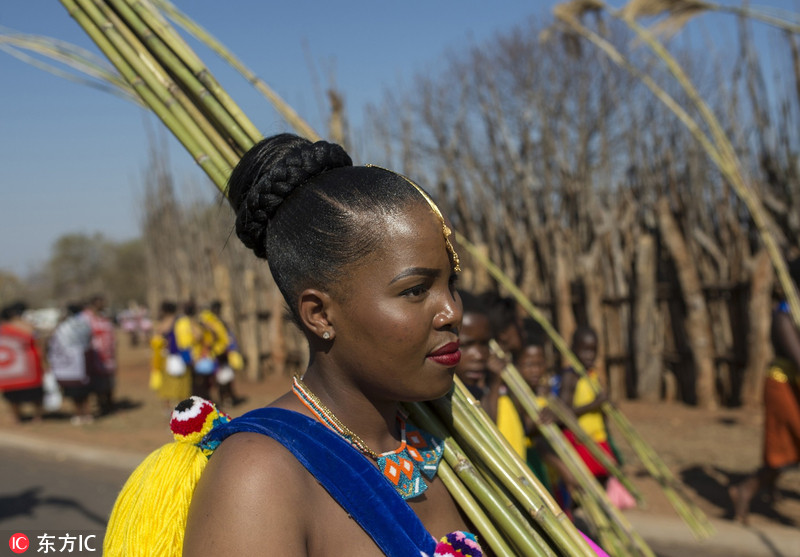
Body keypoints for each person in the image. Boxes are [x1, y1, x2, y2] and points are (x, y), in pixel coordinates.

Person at [172, 134, 478, 555]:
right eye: (415, 290)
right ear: (320, 315)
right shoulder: (261, 476)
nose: (452, 312)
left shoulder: (451, 440)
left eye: (452, 284)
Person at [730, 258, 800, 524]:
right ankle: (745, 490)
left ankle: (746, 490)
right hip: (783, 386)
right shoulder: (784, 315)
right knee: (782, 451)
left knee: (788, 452)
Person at [453, 290, 527, 458]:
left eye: (484, 344)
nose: (479, 355)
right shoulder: (432, 399)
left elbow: (489, 428)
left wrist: (494, 384)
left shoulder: (476, 393)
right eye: (467, 344)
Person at [555, 325, 616, 485]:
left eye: (593, 350)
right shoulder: (570, 377)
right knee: (584, 487)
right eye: (584, 350)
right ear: (573, 349)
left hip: (598, 438)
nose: (589, 355)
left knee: (603, 483)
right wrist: (593, 405)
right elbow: (562, 413)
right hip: (580, 441)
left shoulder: (593, 375)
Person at [48, 302, 94, 425]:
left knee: (75, 392)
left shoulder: (64, 326)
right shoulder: (84, 323)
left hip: (70, 365)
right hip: (84, 362)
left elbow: (56, 340)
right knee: (84, 391)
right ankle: (87, 414)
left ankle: (79, 414)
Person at [0, 301, 44, 423]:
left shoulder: (26, 327)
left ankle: (28, 417)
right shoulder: (24, 327)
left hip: (24, 366)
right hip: (13, 367)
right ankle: (25, 417)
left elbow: (38, 342)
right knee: (14, 395)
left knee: (32, 393)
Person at [200, 300, 246, 407]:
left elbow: (225, 337)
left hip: (221, 353)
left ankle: (226, 398)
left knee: (224, 378)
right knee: (218, 379)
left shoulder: (218, 322)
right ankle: (222, 399)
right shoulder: (211, 322)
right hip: (216, 353)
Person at [150, 301, 192, 413]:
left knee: (168, 385)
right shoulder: (182, 321)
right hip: (180, 358)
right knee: (182, 385)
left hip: (169, 358)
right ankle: (182, 408)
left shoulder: (163, 324)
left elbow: (156, 339)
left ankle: (169, 408)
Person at [82, 294, 117, 415]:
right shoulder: (86, 318)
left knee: (109, 381)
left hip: (108, 356)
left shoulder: (105, 318)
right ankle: (100, 404)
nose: (102, 306)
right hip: (94, 356)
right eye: (100, 304)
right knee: (97, 382)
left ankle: (109, 403)